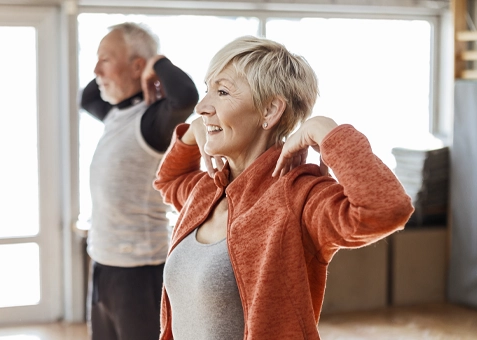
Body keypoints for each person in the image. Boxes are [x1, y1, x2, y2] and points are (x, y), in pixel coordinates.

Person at [153, 35, 414, 340]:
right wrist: (190, 136)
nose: (201, 106)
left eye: (222, 92)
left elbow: (385, 209)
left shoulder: (299, 197)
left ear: (270, 111)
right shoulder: (206, 190)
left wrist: (327, 131)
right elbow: (168, 181)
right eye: (208, 89)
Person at [80, 22, 198, 340]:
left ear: (136, 66)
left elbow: (186, 96)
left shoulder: (150, 120)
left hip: (140, 271)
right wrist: (113, 61)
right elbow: (87, 95)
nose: (95, 70)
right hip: (103, 264)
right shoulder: (114, 113)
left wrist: (154, 63)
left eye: (105, 59)